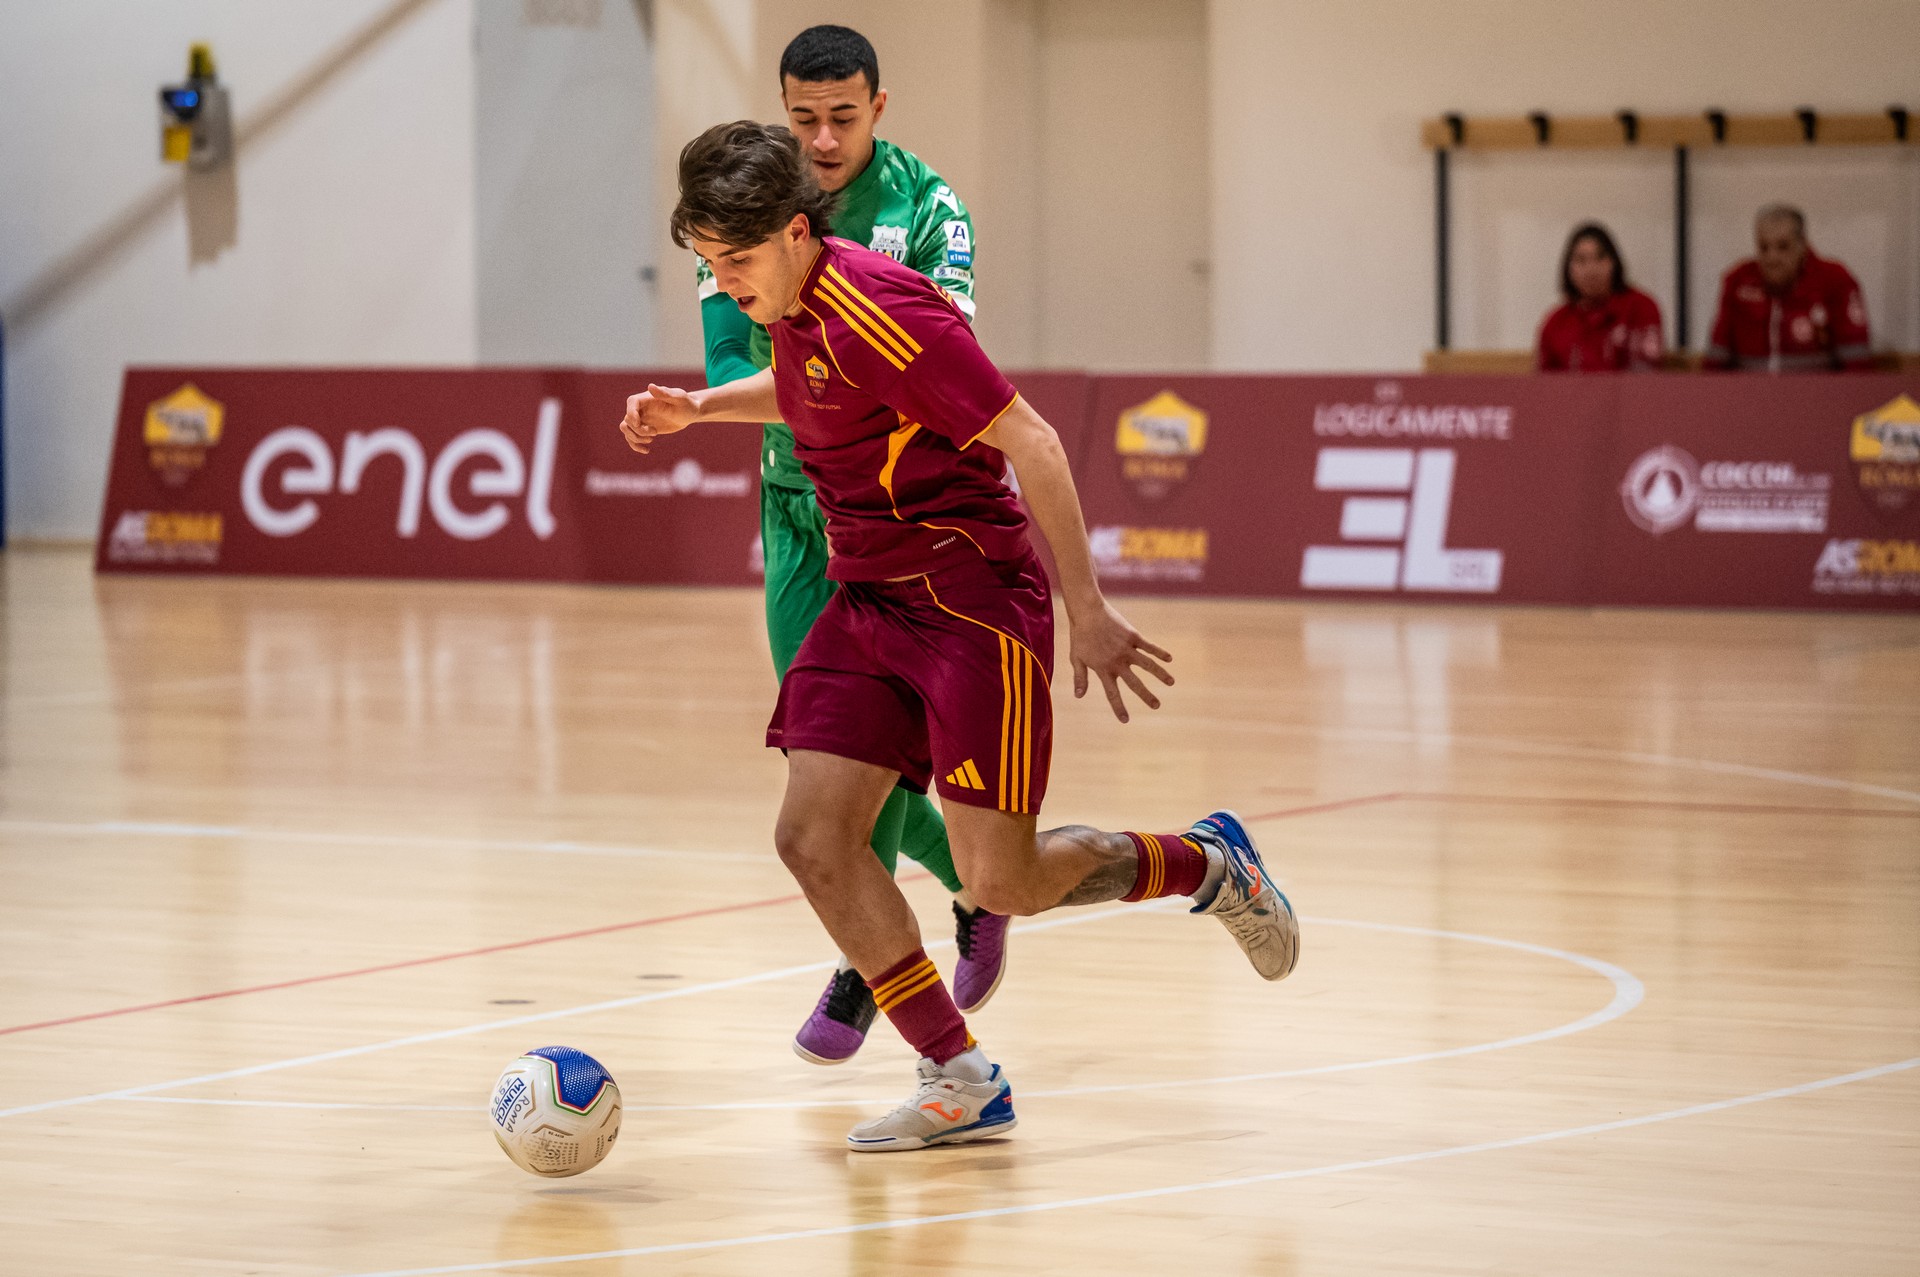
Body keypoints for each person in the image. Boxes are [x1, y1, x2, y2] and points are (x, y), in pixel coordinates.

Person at [623, 121, 1299, 1152]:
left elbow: (1035, 440)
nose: (725, 282)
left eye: (738, 260)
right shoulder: (791, 303)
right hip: (868, 598)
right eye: (709, 263)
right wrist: (700, 409)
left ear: (798, 231)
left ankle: (1207, 863)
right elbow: (808, 392)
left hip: (970, 602)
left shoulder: (884, 308)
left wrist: (1087, 608)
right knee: (812, 838)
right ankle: (959, 1073)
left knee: (1001, 881)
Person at [696, 25, 997, 1067]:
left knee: (861, 764)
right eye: (803, 119)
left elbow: (937, 362)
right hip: (793, 510)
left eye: (843, 116)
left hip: (896, 515)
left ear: (880, 106)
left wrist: (816, 384)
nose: (822, 139)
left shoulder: (930, 209)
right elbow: (729, 359)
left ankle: (866, 967)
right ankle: (969, 891)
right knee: (827, 760)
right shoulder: (745, 208)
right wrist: (717, 402)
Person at [1705, 204, 1872, 372]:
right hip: (1747, 388)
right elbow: (1716, 361)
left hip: (1817, 388)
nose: (1772, 258)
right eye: (1763, 247)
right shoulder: (1738, 281)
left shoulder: (1835, 280)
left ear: (1802, 245)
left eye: (1783, 246)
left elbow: (1857, 365)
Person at [1535, 223, 1663, 372]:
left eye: (1600, 257)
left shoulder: (1641, 308)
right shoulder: (1556, 323)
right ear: (1568, 269)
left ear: (1614, 262)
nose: (1591, 269)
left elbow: (1646, 374)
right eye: (1581, 260)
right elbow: (1544, 381)